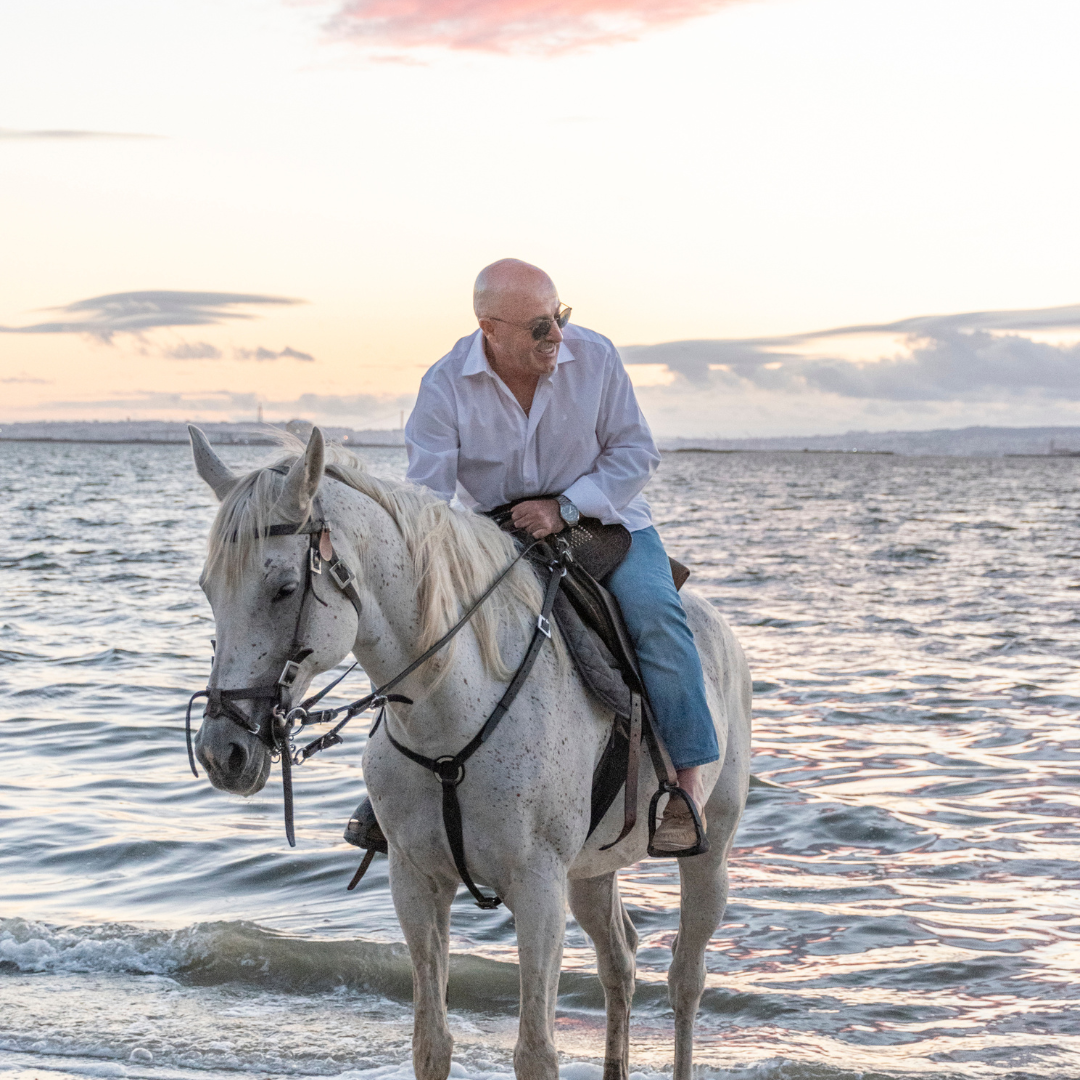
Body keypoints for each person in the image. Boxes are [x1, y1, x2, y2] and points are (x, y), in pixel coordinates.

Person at [405, 258, 719, 852]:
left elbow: (636, 453)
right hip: (499, 533)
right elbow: (428, 495)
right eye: (537, 328)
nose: (555, 337)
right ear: (489, 328)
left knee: (654, 613)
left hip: (606, 519)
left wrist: (566, 507)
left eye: (559, 318)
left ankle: (685, 787)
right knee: (426, 625)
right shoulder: (444, 382)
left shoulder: (595, 358)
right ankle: (394, 788)